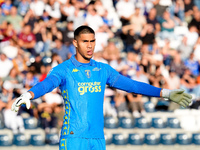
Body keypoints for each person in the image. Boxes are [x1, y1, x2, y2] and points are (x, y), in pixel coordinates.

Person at [11, 25, 192, 150]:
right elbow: (48, 83)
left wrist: (164, 92)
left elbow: (132, 85)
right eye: (85, 42)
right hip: (74, 138)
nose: (90, 46)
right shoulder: (64, 69)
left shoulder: (103, 70)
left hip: (97, 138)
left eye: (92, 41)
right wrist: (30, 94)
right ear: (75, 43)